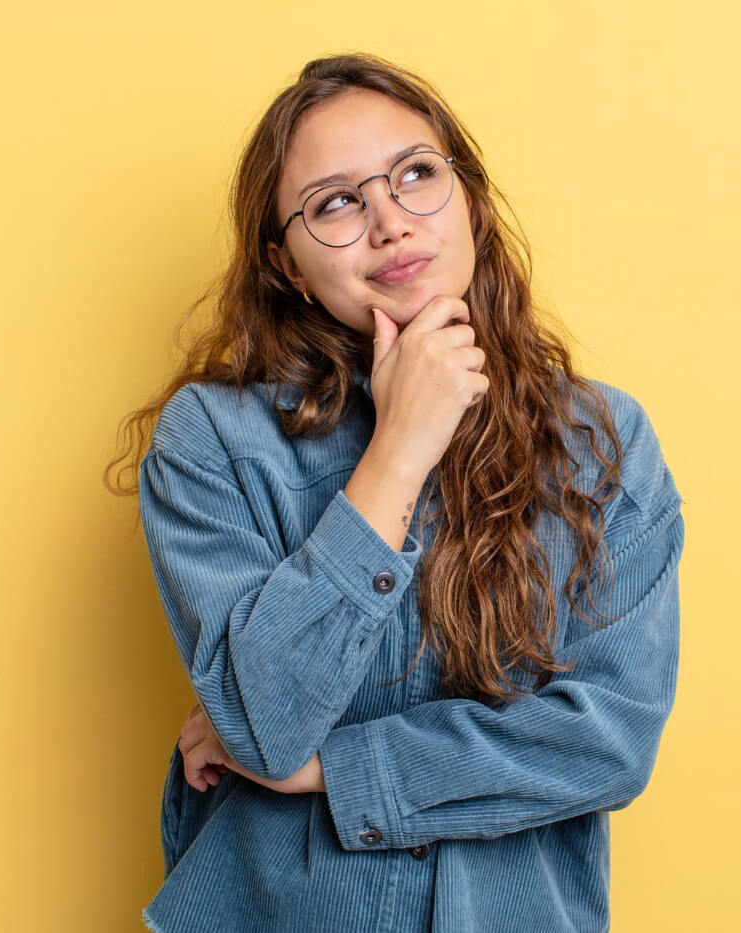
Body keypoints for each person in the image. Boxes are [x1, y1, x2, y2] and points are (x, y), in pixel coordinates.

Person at [105, 51, 687, 933]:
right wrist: (399, 452)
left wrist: (332, 769)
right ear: (285, 265)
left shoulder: (601, 445)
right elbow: (264, 724)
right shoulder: (215, 440)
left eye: (416, 174)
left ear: (471, 205)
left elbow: (606, 740)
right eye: (336, 202)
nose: (389, 223)